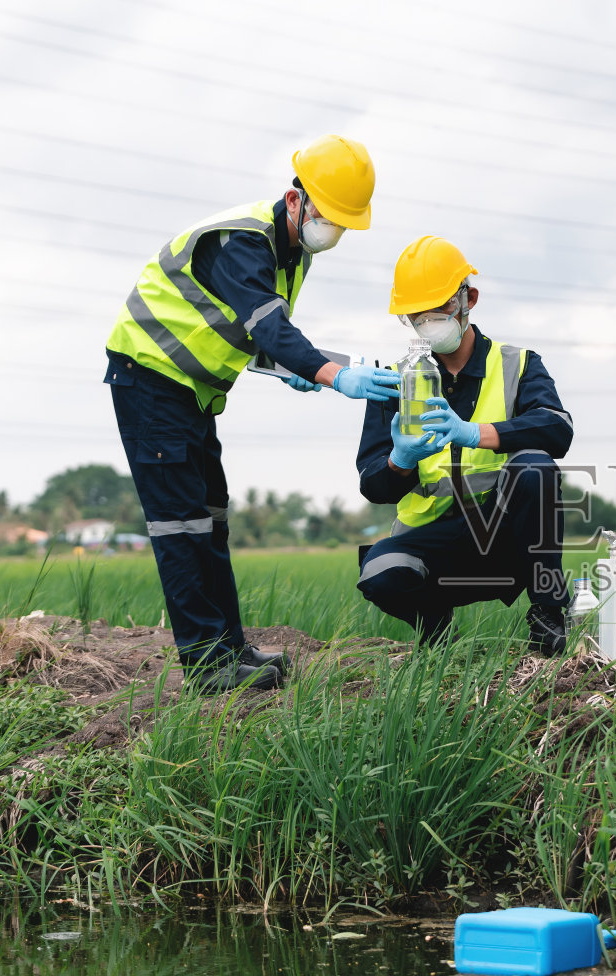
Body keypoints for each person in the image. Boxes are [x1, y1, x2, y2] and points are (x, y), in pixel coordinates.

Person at [104, 135, 400, 693]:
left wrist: (291, 365)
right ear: (296, 200)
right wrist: (333, 374)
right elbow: (269, 326)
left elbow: (256, 332)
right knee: (182, 524)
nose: (331, 231)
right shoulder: (243, 240)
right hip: (149, 379)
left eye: (342, 223)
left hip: (190, 392)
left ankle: (230, 647)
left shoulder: (293, 256)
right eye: (326, 216)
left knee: (212, 520)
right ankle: (206, 666)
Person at [354, 236, 574, 655]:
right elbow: (373, 486)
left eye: (440, 308)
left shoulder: (517, 364)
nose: (428, 321)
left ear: (468, 299)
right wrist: (400, 462)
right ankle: (437, 634)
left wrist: (475, 433)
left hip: (507, 541)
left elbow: (556, 430)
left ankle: (548, 614)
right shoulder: (393, 383)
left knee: (535, 466)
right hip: (434, 543)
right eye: (416, 315)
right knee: (380, 571)